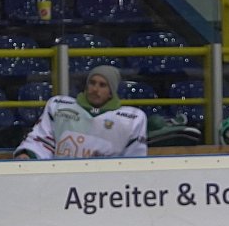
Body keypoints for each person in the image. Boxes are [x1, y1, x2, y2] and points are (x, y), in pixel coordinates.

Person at [14, 65, 148, 160]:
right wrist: (28, 154)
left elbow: (134, 159)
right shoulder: (59, 107)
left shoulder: (130, 119)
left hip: (106, 185)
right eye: (92, 83)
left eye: (102, 85)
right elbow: (42, 140)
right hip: (60, 179)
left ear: (111, 92)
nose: (95, 89)